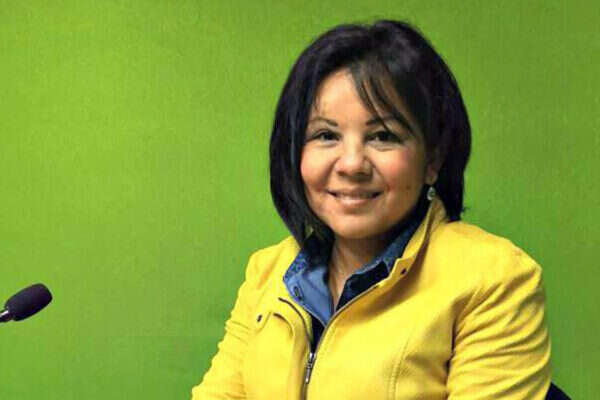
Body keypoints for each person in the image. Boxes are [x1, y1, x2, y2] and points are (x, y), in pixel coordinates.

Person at [192, 20, 551, 399]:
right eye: (326, 135)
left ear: (432, 159)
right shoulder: (267, 273)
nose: (352, 164)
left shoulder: (494, 279)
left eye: (382, 136)